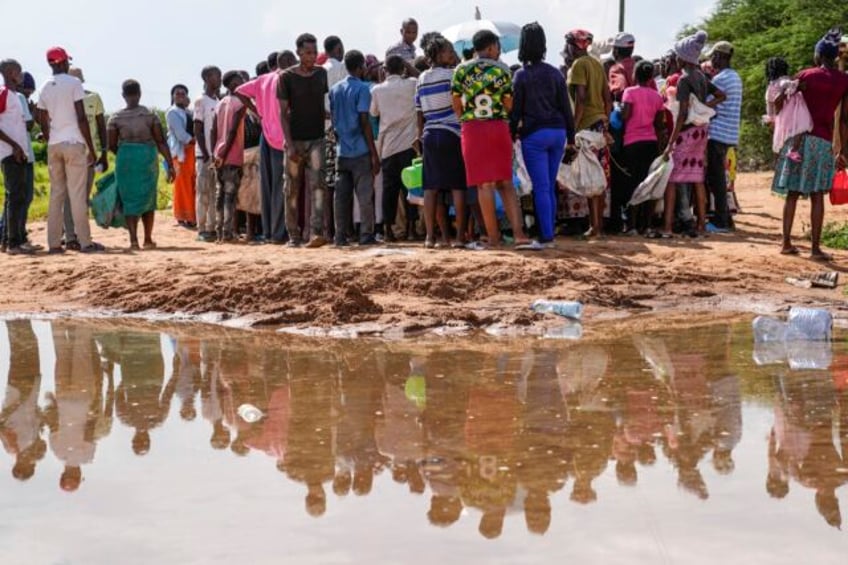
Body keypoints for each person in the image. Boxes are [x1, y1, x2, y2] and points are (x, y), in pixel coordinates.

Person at [451, 30, 532, 249]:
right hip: (498, 127)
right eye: (496, 46)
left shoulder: (460, 70)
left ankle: (493, 238)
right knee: (505, 183)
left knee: (483, 186)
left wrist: (465, 121)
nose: (498, 50)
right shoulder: (503, 70)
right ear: (490, 47)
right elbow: (509, 104)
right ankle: (519, 235)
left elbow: (456, 103)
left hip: (472, 129)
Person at [773, 28, 848, 261]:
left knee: (793, 193)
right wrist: (842, 150)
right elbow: (844, 118)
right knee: (817, 195)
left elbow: (779, 104)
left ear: (817, 55)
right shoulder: (844, 80)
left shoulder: (806, 75)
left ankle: (786, 242)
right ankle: (815, 249)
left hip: (800, 139)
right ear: (836, 57)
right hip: (824, 142)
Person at [511, 23, 576, 247]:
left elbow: (516, 111)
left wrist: (510, 135)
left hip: (534, 136)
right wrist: (572, 138)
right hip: (558, 133)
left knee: (541, 187)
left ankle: (546, 237)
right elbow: (566, 108)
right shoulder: (555, 73)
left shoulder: (520, 76)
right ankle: (549, 233)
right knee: (548, 185)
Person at [36, 47, 103, 254]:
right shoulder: (74, 83)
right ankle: (85, 242)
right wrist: (90, 148)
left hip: (54, 145)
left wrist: (49, 138)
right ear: (64, 62)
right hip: (74, 143)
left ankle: (54, 244)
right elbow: (81, 117)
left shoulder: (45, 86)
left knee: (57, 195)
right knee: (77, 194)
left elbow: (41, 118)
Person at [661, 31, 725, 237]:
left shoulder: (684, 80)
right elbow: (721, 95)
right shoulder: (701, 77)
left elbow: (682, 114)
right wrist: (705, 107)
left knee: (672, 179)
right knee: (697, 178)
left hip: (687, 132)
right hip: (701, 132)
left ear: (683, 58)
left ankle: (668, 227)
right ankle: (701, 226)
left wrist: (670, 142)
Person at [107, 79, 175, 250]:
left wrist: (126, 153)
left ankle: (133, 240)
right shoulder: (150, 115)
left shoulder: (115, 118)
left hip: (126, 161)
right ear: (140, 93)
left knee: (129, 200)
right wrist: (170, 164)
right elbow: (161, 142)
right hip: (146, 160)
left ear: (123, 95)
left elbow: (111, 145)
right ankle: (148, 239)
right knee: (148, 198)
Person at [416, 37, 469, 248]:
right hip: (452, 133)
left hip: (429, 134)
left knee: (431, 188)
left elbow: (419, 111)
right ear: (439, 54)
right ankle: (459, 238)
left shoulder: (421, 78)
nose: (451, 54)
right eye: (448, 51)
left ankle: (430, 237)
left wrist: (420, 136)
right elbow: (460, 103)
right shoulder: (452, 75)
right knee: (458, 186)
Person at [278, 33, 330, 248]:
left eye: (314, 52)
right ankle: (293, 235)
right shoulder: (286, 77)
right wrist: (289, 144)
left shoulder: (321, 75)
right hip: (295, 140)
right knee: (291, 188)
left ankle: (316, 232)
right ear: (299, 53)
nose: (312, 56)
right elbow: (283, 113)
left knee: (318, 186)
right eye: (308, 52)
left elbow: (320, 105)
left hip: (317, 138)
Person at [235, 51, 291, 244]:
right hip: (281, 137)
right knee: (280, 186)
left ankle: (268, 231)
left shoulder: (262, 80)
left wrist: (257, 111)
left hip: (265, 136)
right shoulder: (285, 78)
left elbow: (239, 91)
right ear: (285, 62)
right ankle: (278, 233)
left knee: (266, 186)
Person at [565, 29, 613, 238]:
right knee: (599, 176)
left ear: (573, 46)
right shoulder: (597, 64)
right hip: (600, 126)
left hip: (585, 127)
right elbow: (608, 98)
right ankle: (597, 226)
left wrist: (573, 129)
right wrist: (606, 122)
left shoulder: (578, 65)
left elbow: (581, 99)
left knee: (590, 176)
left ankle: (595, 227)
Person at [330, 51, 380, 246]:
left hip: (342, 151)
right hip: (360, 150)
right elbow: (364, 122)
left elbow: (334, 120)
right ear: (360, 67)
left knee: (341, 198)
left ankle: (340, 236)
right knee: (365, 196)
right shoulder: (362, 89)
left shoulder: (335, 89)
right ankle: (366, 235)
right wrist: (374, 154)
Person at [370, 55, 418, 244]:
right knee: (411, 189)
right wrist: (409, 67)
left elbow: (374, 112)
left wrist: (382, 83)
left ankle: (389, 230)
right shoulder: (412, 83)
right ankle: (412, 229)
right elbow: (421, 77)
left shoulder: (377, 90)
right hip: (409, 144)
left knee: (389, 190)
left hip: (388, 147)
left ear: (385, 69)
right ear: (403, 68)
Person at [63, 66, 108, 251]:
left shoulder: (93, 98)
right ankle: (71, 237)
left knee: (82, 197)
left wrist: (103, 152)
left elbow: (101, 125)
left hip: (90, 154)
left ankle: (82, 236)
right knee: (68, 196)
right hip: (69, 152)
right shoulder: (62, 100)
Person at [622, 60, 667, 235]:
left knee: (634, 182)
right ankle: (646, 224)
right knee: (649, 182)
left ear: (635, 75)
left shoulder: (629, 92)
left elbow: (625, 116)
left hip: (632, 143)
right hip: (651, 143)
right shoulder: (656, 96)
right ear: (650, 77)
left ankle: (632, 225)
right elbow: (659, 124)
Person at [706, 41, 743, 233]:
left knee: (717, 178)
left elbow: (706, 104)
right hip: (729, 133)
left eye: (713, 56)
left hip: (717, 132)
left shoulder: (719, 79)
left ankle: (721, 221)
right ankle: (726, 217)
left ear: (720, 57)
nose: (712, 60)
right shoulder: (735, 77)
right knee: (720, 176)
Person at [0, 59, 35, 255]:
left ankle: (11, 241)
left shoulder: (14, 95)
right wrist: (14, 146)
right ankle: (14, 243)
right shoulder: (4, 93)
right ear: (12, 73)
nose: (21, 76)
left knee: (17, 197)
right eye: (19, 72)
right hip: (10, 153)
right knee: (15, 198)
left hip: (19, 152)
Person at [210, 71, 248, 243]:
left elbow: (213, 130)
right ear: (233, 84)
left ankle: (219, 231)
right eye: (240, 80)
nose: (243, 82)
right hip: (231, 155)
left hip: (218, 154)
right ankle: (228, 232)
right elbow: (232, 131)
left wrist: (215, 154)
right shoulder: (240, 103)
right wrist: (224, 154)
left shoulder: (220, 103)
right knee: (230, 195)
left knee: (220, 194)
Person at [193, 66, 222, 242]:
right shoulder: (200, 101)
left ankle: (212, 227)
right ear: (206, 78)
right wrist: (205, 152)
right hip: (204, 155)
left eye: (219, 75)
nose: (218, 79)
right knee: (203, 192)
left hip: (217, 154)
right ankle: (202, 227)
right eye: (214, 76)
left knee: (214, 192)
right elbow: (198, 129)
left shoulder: (218, 101)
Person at [166, 84, 197, 229]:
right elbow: (180, 134)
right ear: (172, 96)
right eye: (177, 93)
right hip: (181, 152)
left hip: (193, 151)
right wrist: (195, 141)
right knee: (182, 184)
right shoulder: (172, 113)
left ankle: (192, 215)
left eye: (183, 93)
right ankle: (183, 215)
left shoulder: (188, 112)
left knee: (192, 184)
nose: (180, 95)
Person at [608, 32, 638, 102]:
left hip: (627, 111)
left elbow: (620, 92)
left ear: (616, 51)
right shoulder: (640, 68)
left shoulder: (617, 69)